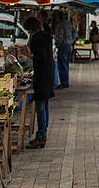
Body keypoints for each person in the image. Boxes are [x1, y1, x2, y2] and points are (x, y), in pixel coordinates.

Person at [25, 16, 54, 149]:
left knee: (40, 106)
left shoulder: (37, 38)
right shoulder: (46, 36)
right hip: (48, 74)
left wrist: (29, 55)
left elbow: (41, 56)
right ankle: (42, 132)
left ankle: (41, 135)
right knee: (45, 104)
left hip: (42, 76)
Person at [54, 12, 77, 89]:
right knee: (66, 64)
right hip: (69, 45)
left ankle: (64, 83)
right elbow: (75, 31)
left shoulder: (60, 24)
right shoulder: (68, 23)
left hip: (63, 46)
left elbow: (60, 35)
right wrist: (72, 39)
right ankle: (65, 81)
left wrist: (57, 43)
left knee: (62, 64)